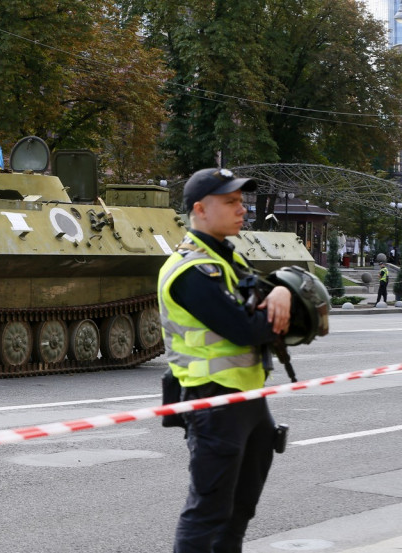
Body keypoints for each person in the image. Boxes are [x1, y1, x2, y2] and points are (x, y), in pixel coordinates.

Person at [158, 167, 292, 553]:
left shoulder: (227, 258)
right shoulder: (191, 270)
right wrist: (278, 303)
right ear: (200, 209)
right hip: (213, 404)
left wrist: (280, 292)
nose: (242, 209)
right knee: (208, 515)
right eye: (230, 202)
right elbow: (245, 328)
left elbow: (279, 304)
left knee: (238, 514)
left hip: (248, 401)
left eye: (241, 201)